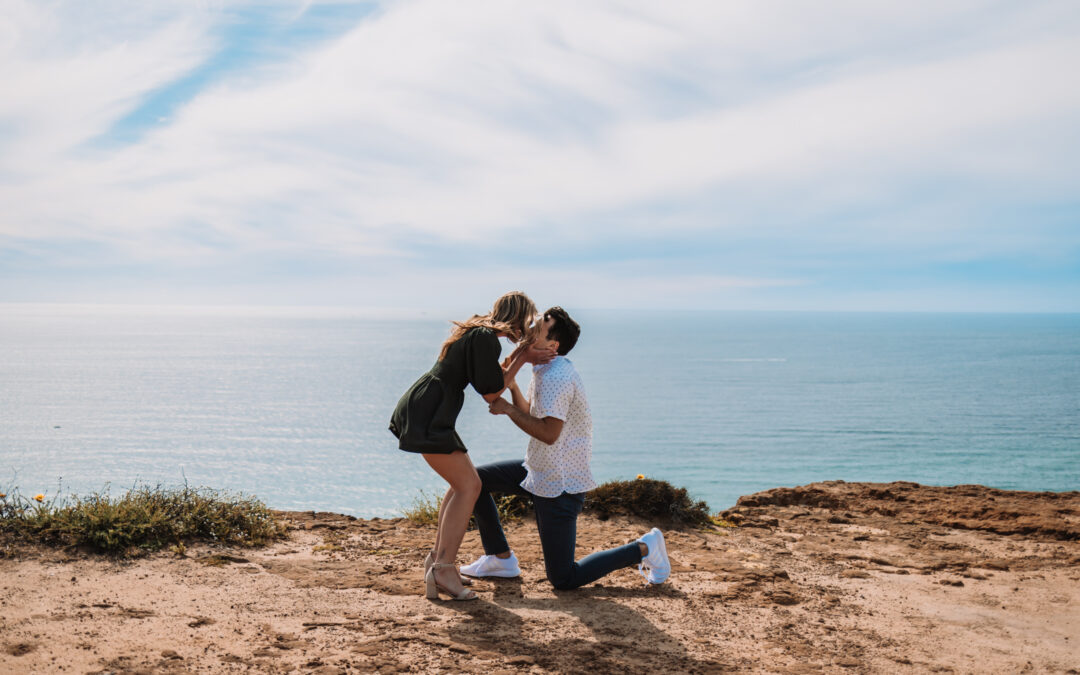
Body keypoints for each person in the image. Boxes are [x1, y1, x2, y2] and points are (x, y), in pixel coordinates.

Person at [461, 307, 671, 590]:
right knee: (475, 481)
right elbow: (537, 417)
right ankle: (500, 559)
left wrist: (509, 410)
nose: (531, 326)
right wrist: (513, 392)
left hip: (560, 484)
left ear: (553, 345)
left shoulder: (556, 377)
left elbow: (549, 433)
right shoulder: (544, 369)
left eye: (540, 325)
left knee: (563, 578)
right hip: (537, 471)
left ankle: (645, 548)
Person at [389, 291, 554, 601]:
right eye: (527, 320)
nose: (527, 328)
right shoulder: (485, 338)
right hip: (431, 412)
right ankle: (443, 568)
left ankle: (437, 561)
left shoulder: (479, 333)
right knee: (469, 486)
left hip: (430, 407)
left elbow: (494, 380)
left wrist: (520, 355)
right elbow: (491, 393)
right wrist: (524, 356)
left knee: (462, 484)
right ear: (518, 318)